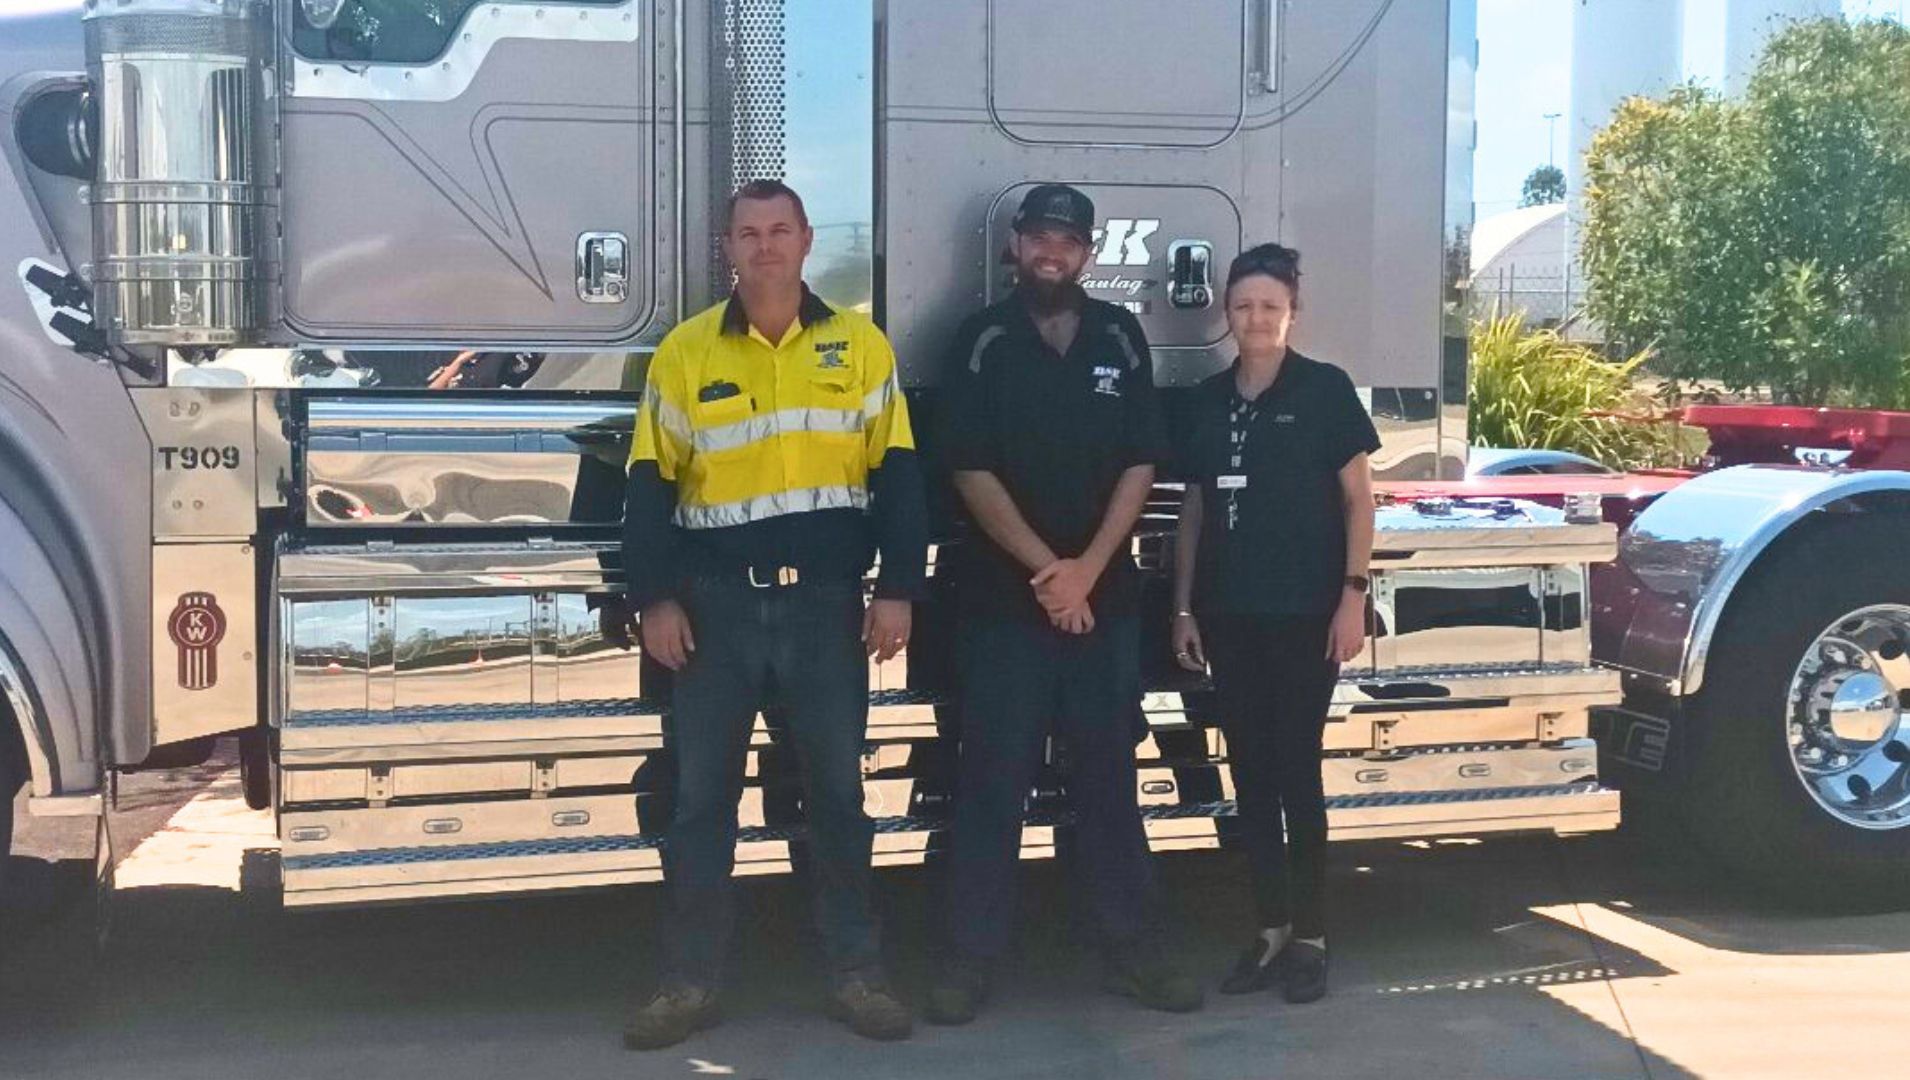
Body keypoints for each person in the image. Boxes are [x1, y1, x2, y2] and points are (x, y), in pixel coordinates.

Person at [619, 179, 927, 1049]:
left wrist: (899, 586)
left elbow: (898, 476)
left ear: (805, 241)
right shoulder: (685, 353)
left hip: (827, 611)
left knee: (837, 798)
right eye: (748, 233)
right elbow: (650, 490)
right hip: (713, 616)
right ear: (728, 247)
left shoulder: (858, 347)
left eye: (779, 231)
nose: (764, 246)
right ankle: (688, 985)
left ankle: (857, 975)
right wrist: (655, 599)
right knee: (700, 805)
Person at [926, 183, 1203, 1024]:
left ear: (1088, 252)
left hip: (1104, 604)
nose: (1053, 251)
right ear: (1016, 245)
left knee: (1110, 783)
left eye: (1068, 239)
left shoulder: (1119, 336)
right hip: (1003, 608)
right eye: (1040, 236)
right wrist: (1051, 571)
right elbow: (968, 469)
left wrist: (1088, 569)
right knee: (991, 787)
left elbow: (1141, 464)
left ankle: (1136, 954)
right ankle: (967, 964)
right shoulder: (979, 341)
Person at [1169, 243, 1379, 1004]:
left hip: (1306, 618)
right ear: (1226, 312)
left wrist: (1352, 595)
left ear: (1293, 311)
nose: (1255, 319)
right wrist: (1184, 607)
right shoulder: (1207, 399)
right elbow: (1193, 509)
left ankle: (1313, 935)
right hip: (1230, 617)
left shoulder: (1324, 392)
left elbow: (1360, 501)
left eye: (1270, 306)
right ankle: (1269, 929)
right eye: (1243, 306)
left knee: (1297, 773)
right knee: (1249, 777)